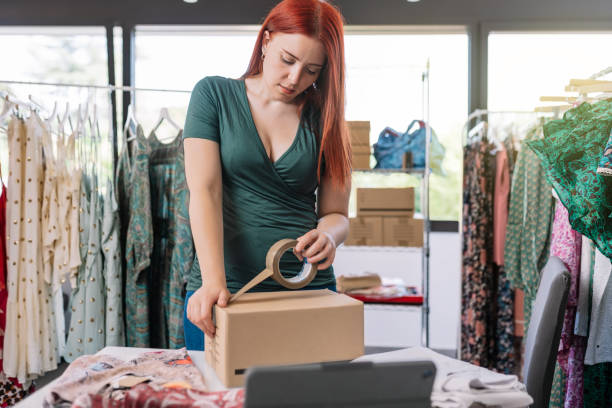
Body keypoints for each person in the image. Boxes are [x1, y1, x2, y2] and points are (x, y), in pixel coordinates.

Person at [182, 0, 351, 351]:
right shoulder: (213, 95)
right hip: (223, 291)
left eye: (312, 70)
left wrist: (329, 237)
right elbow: (205, 191)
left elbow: (336, 214)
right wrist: (214, 281)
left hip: (305, 291)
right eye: (288, 60)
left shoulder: (327, 118)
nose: (295, 79)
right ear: (266, 41)